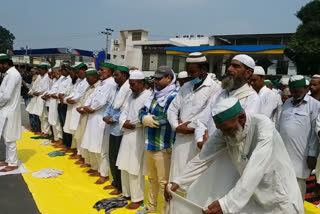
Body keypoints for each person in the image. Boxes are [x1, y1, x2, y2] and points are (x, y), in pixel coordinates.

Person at [166, 97, 304, 214]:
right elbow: (203, 158)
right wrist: (178, 181)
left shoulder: (264, 127)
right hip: (253, 196)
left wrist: (227, 204)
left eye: (228, 129)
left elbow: (255, 168)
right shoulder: (224, 131)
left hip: (280, 197)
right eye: (221, 130)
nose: (225, 134)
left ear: (242, 118)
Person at [167, 52, 221, 181]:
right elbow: (172, 109)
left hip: (198, 139)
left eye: (193, 72)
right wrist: (176, 126)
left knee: (193, 179)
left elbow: (208, 113)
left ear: (204, 70)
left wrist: (190, 127)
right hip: (181, 138)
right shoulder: (186, 86)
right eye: (188, 72)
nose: (190, 75)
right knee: (176, 176)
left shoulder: (215, 88)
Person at [137, 66, 177, 214]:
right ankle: (151, 208)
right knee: (152, 179)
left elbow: (169, 117)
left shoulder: (173, 96)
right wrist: (143, 118)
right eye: (155, 78)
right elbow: (142, 111)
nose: (156, 81)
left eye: (159, 78)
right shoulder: (154, 94)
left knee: (163, 183)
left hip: (164, 146)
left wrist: (150, 121)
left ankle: (165, 211)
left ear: (169, 78)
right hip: (150, 143)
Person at [278, 75, 320, 199]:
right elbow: (279, 126)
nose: (294, 93)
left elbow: (314, 132)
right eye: (292, 90)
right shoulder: (287, 103)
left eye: (298, 90)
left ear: (306, 88)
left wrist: (312, 154)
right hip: (283, 154)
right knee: (281, 193)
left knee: (296, 193)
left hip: (301, 156)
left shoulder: (315, 105)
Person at [116, 70, 152, 209]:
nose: (131, 87)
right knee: (124, 165)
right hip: (127, 134)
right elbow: (123, 111)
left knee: (134, 167)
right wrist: (123, 122)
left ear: (142, 83)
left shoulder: (148, 96)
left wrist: (133, 123)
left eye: (133, 84)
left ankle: (137, 199)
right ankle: (126, 193)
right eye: (130, 84)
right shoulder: (131, 95)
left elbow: (146, 116)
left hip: (139, 134)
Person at [81, 62, 117, 185]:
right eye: (99, 70)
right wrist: (87, 106)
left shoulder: (111, 84)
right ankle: (96, 169)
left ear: (110, 71)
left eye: (103, 70)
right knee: (93, 144)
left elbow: (101, 101)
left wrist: (90, 108)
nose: (100, 72)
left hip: (101, 118)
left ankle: (104, 174)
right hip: (93, 117)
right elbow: (91, 98)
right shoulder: (102, 83)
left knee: (102, 148)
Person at [103, 65, 131, 194]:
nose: (114, 77)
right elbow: (110, 104)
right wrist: (105, 116)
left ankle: (120, 186)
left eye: (117, 75)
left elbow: (125, 109)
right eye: (114, 75)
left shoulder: (129, 89)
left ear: (125, 75)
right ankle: (115, 182)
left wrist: (112, 119)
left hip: (120, 129)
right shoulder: (116, 89)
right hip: (112, 128)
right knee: (112, 156)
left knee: (119, 159)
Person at [73, 68, 101, 167]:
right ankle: (86, 160)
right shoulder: (89, 87)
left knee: (90, 141)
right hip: (84, 115)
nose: (87, 80)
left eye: (89, 78)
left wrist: (84, 109)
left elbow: (96, 104)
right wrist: (79, 107)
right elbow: (83, 100)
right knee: (82, 137)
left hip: (91, 117)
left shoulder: (99, 87)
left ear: (95, 77)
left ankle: (93, 164)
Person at [0, 54, 22, 172]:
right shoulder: (9, 74)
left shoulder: (13, 75)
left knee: (10, 138)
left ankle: (13, 163)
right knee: (6, 137)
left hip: (9, 110)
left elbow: (6, 96)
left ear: (5, 64)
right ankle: (9, 160)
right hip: (6, 110)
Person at [65, 62, 89, 159]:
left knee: (80, 133)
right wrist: (68, 99)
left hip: (80, 108)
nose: (77, 74)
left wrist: (72, 99)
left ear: (83, 70)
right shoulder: (79, 81)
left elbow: (81, 95)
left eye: (78, 72)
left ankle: (81, 154)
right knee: (74, 132)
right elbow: (74, 92)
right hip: (74, 107)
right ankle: (77, 151)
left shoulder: (87, 81)